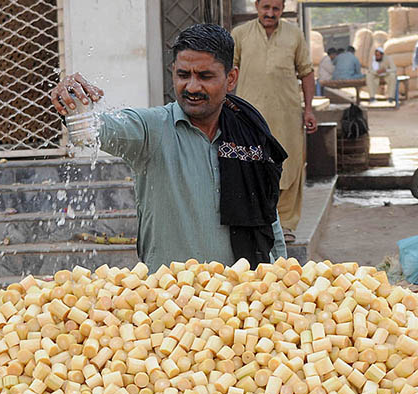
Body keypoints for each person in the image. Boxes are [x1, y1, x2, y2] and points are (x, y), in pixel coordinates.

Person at [50, 24, 286, 271]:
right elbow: (91, 131)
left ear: (231, 78)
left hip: (242, 295)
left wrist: (282, 269)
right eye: (184, 75)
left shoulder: (248, 132)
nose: (192, 87)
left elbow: (267, 212)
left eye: (205, 76)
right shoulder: (152, 129)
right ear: (173, 71)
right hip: (167, 302)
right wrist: (76, 106)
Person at [232, 0, 317, 243]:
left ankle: (287, 224)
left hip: (287, 115)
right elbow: (228, 71)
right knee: (252, 166)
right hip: (249, 116)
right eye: (266, 7)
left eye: (276, 8)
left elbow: (307, 72)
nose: (270, 13)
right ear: (256, 5)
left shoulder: (294, 34)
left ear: (282, 8)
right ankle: (258, 221)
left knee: (289, 166)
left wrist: (309, 109)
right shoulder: (240, 34)